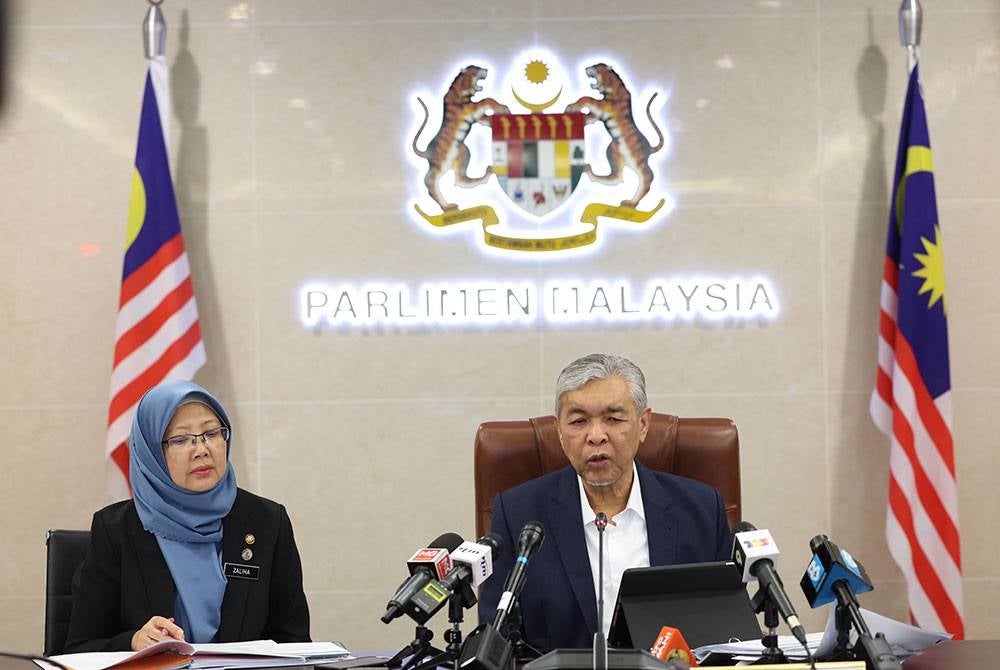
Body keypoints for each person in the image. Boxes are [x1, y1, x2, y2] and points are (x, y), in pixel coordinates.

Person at [478, 353, 732, 651]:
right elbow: (495, 641)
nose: (596, 436)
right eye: (578, 421)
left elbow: (726, 633)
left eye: (613, 419)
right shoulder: (518, 515)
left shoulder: (702, 510)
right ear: (559, 431)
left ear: (643, 424)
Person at [65, 380, 310, 652]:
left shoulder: (268, 522)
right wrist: (134, 641)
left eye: (212, 433)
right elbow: (79, 648)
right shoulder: (115, 530)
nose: (202, 449)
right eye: (180, 439)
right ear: (152, 452)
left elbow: (294, 640)